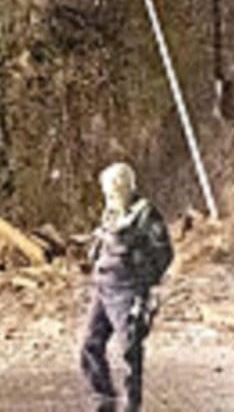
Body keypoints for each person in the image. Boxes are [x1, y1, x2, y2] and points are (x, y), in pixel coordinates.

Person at [79, 162, 174, 412]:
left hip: (126, 291)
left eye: (114, 190)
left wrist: (142, 283)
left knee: (129, 350)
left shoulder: (146, 214)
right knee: (90, 345)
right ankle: (104, 400)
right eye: (107, 191)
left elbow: (164, 254)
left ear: (127, 186)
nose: (109, 196)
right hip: (103, 287)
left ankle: (132, 405)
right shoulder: (112, 211)